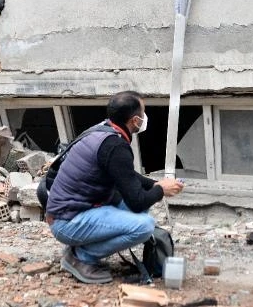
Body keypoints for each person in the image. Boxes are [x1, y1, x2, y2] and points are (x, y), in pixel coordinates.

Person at [45, 91, 184, 284]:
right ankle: (80, 256)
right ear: (135, 120)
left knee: (143, 208)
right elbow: (136, 201)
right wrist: (162, 191)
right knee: (144, 226)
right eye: (143, 112)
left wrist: (156, 184)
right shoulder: (116, 146)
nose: (145, 117)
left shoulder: (103, 130)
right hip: (67, 222)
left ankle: (80, 250)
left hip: (70, 211)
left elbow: (125, 174)